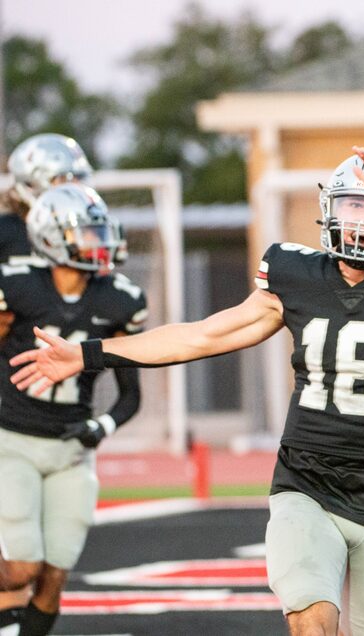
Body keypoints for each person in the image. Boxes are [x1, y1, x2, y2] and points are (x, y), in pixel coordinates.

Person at [8, 146, 364, 635]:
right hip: (307, 481)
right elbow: (204, 334)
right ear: (330, 208)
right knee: (311, 620)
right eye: (354, 204)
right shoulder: (296, 274)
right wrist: (87, 354)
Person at [0, 183, 146, 636]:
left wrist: (100, 426)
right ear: (49, 236)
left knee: (54, 574)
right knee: (22, 568)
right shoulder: (17, 286)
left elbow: (130, 395)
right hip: (13, 440)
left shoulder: (121, 298)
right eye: (85, 233)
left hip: (72, 448)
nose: (97, 243)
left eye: (99, 232)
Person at [1, 133, 127, 267]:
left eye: (79, 179)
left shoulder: (87, 230)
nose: (75, 187)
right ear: (31, 185)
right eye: (64, 180)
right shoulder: (5, 232)